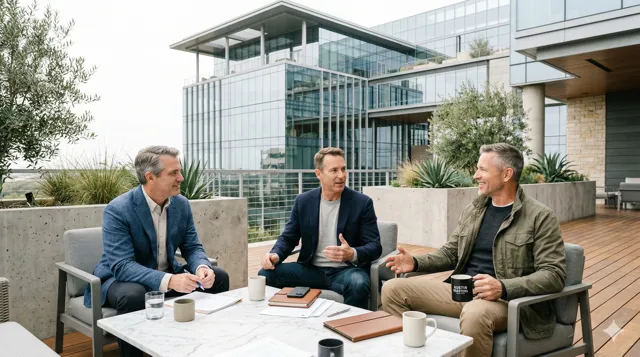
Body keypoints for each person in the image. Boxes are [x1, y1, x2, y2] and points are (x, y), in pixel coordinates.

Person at [382, 143, 566, 357]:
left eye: (483, 170)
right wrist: (416, 262)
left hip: (506, 302)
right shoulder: (474, 210)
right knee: (393, 289)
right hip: (462, 291)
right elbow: (451, 253)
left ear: (507, 174)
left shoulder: (540, 216)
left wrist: (503, 287)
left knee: (475, 312)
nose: (476, 175)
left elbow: (554, 274)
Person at [84, 146, 230, 357]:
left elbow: (192, 246)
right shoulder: (118, 209)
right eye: (173, 173)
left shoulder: (181, 204)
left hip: (168, 274)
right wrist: (170, 280)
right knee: (134, 295)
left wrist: (201, 267)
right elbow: (122, 266)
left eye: (179, 171)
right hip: (121, 280)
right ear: (150, 177)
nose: (181, 178)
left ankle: (202, 347)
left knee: (218, 277)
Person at [258, 147, 382, 309]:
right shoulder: (303, 201)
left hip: (346, 271)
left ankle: (351, 328)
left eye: (343, 169)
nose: (341, 175)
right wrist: (275, 255)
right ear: (319, 174)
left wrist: (352, 253)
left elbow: (375, 246)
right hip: (311, 269)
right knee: (265, 275)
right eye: (334, 170)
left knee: (358, 283)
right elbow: (289, 238)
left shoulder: (362, 203)